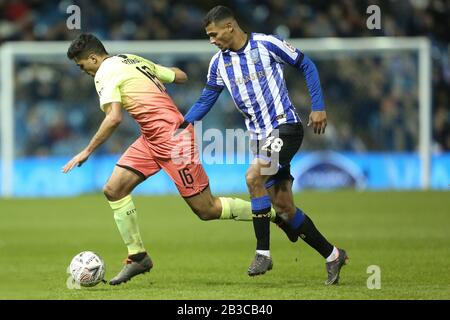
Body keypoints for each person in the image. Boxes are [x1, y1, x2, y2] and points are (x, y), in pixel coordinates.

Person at [62, 33, 290, 285]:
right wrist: (163, 78)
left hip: (174, 140)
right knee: (114, 189)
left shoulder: (105, 73)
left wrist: (87, 150)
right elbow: (179, 75)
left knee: (207, 209)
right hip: (151, 138)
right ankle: (138, 256)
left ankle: (272, 214)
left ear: (93, 58)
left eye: (82, 65)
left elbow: (114, 118)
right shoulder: (129, 59)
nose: (83, 71)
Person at [184, 6, 348, 284]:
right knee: (284, 207)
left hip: (286, 127)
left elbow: (306, 64)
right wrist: (181, 124)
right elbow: (206, 100)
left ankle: (263, 252)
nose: (211, 40)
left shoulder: (266, 44)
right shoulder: (218, 64)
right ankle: (333, 255)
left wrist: (318, 106)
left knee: (253, 177)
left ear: (229, 27)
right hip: (260, 139)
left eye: (213, 34)